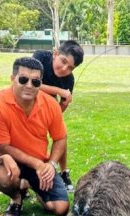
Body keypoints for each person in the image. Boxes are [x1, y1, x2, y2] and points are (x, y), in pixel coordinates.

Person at [0, 57, 69, 216]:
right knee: (4, 176)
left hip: (40, 161)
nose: (29, 85)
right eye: (23, 79)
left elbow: (60, 138)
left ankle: (31, 186)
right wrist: (37, 164)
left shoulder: (50, 104)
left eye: (36, 82)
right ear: (12, 79)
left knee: (60, 208)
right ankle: (16, 199)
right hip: (11, 160)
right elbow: (2, 147)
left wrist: (50, 165)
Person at [32, 40, 84, 192]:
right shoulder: (41, 57)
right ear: (55, 53)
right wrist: (60, 91)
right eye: (63, 62)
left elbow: (57, 113)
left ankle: (63, 172)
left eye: (70, 68)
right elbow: (31, 83)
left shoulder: (69, 80)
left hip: (46, 106)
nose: (64, 69)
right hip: (26, 101)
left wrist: (64, 104)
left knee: (61, 134)